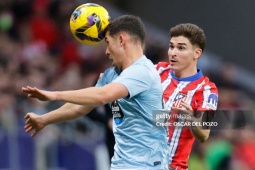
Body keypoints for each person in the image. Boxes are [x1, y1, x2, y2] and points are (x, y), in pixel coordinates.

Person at [22, 15, 168, 170]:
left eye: (107, 43)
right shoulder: (112, 74)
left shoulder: (143, 72)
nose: (106, 51)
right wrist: (44, 119)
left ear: (121, 40)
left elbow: (102, 96)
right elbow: (81, 106)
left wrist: (55, 94)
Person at [155, 23, 218, 170]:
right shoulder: (157, 71)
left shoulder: (207, 90)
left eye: (181, 48)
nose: (173, 53)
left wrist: (192, 119)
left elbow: (204, 135)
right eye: (171, 46)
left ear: (197, 53)